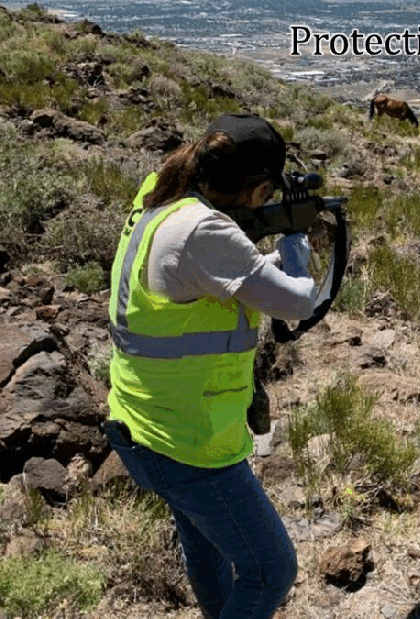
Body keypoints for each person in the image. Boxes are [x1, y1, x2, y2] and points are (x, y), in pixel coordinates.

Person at [102, 113, 315, 618]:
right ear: (254, 187)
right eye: (265, 195)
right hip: (188, 442)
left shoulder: (160, 191)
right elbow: (297, 303)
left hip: (144, 422)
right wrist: (296, 249)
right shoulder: (202, 231)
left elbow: (207, 274)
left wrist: (258, 255)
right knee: (271, 569)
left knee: (206, 548)